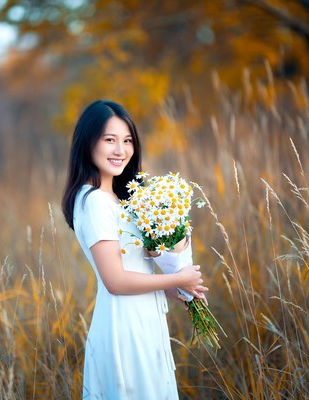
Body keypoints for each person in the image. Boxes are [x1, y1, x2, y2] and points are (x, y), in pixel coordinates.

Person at [62, 100, 208, 399]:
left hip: (142, 321)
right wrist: (178, 280)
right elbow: (115, 281)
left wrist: (178, 290)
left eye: (127, 140)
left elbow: (135, 271)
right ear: (88, 142)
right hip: (123, 328)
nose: (121, 150)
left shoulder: (117, 199)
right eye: (110, 140)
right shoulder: (95, 202)